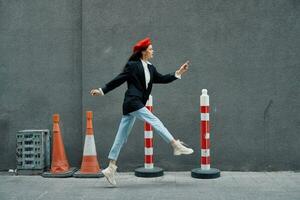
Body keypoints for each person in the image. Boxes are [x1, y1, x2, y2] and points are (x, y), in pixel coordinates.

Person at [90, 37, 193, 186]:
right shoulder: (132, 65)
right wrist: (102, 90)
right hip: (133, 101)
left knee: (121, 136)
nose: (153, 51)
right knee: (155, 121)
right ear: (143, 52)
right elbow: (119, 79)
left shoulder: (150, 67)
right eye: (150, 49)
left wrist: (178, 72)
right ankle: (175, 145)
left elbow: (162, 78)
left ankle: (111, 167)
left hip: (134, 104)